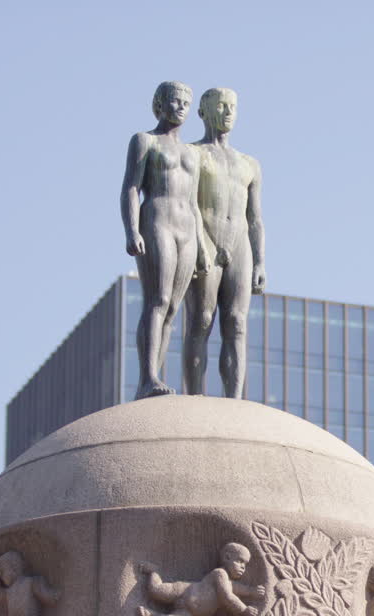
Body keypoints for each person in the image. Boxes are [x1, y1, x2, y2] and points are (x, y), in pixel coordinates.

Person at [120, 81, 206, 399]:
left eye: (186, 102)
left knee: (172, 308)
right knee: (157, 300)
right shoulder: (144, 141)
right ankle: (148, 377)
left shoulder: (192, 153)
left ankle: (157, 374)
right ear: (159, 104)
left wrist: (203, 248)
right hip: (157, 218)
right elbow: (130, 187)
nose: (180, 107)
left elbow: (195, 202)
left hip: (187, 227)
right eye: (174, 101)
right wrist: (132, 230)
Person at [183, 87, 266, 399]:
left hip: (239, 244)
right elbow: (187, 204)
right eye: (221, 106)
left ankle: (234, 399)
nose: (228, 111)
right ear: (204, 111)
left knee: (236, 322)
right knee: (201, 320)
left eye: (232, 106)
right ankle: (195, 396)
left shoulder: (249, 164)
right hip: (205, 237)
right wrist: (199, 248)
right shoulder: (193, 153)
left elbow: (255, 217)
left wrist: (259, 261)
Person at [137, 543, 265, 616]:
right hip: (184, 591)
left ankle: (150, 614)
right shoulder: (219, 573)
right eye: (240, 561)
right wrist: (243, 609)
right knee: (156, 590)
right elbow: (227, 596)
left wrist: (251, 592)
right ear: (227, 557)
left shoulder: (227, 582)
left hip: (189, 612)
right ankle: (154, 571)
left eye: (245, 564)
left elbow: (234, 588)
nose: (243, 567)